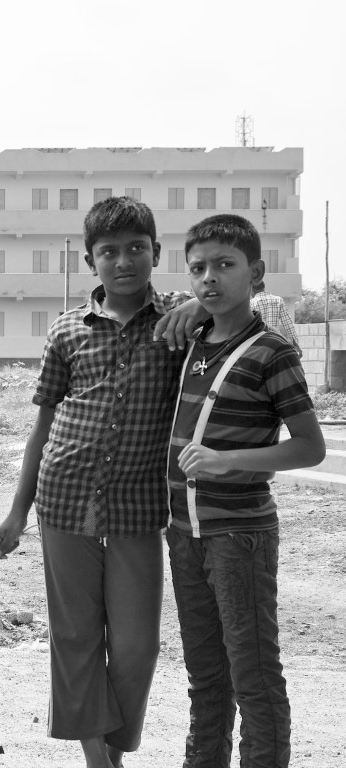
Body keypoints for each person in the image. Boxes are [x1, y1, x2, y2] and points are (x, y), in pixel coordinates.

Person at [0, 196, 203, 768]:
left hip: (139, 503)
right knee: (77, 635)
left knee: (137, 644)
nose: (124, 261)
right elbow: (41, 426)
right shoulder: (67, 331)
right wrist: (17, 512)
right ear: (91, 262)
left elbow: (227, 305)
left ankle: (111, 745)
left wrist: (196, 311)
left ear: (156, 253)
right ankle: (96, 756)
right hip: (64, 494)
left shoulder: (179, 321)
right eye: (109, 252)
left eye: (137, 248)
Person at [167, 214, 325, 768]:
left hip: (240, 534)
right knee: (205, 675)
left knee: (253, 674)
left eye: (225, 266)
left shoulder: (273, 352)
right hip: (184, 534)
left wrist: (225, 460)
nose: (210, 278)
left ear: (255, 273)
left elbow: (309, 448)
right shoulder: (189, 340)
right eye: (199, 269)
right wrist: (191, 307)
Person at [251, 280, 302, 355]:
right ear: (264, 288)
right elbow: (288, 324)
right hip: (275, 344)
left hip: (258, 346)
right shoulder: (278, 300)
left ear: (252, 289)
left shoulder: (252, 303)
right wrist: (296, 344)